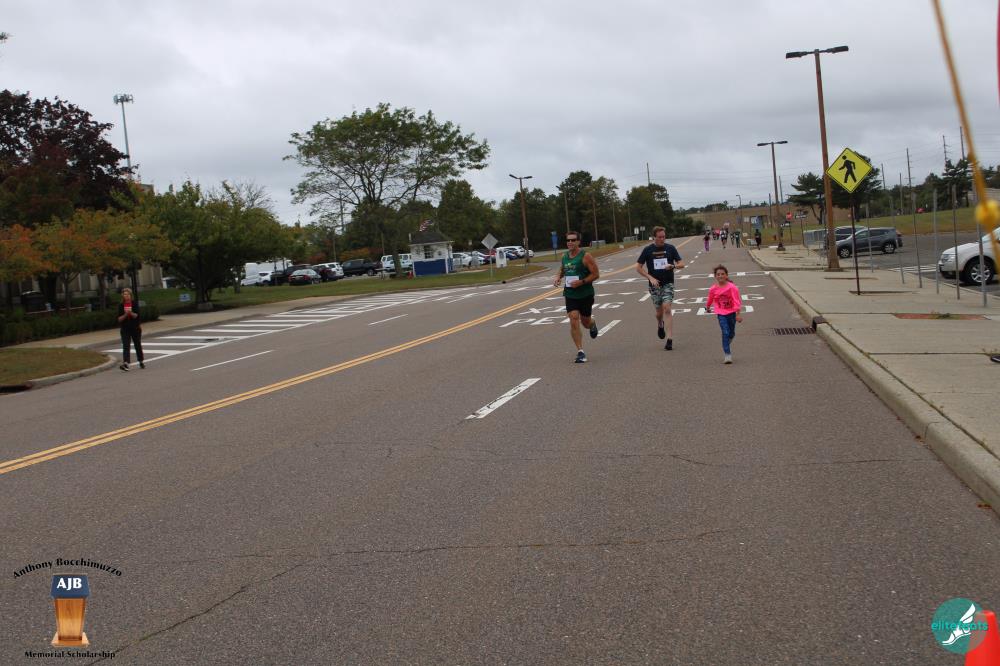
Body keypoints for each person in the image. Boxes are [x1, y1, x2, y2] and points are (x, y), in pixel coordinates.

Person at [553, 231, 600, 363]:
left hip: (585, 294)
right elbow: (563, 269)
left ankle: (592, 323)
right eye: (568, 240)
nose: (570, 242)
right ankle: (580, 351)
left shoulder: (586, 256)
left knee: (585, 322)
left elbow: (596, 274)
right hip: (570, 294)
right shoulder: (565, 256)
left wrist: (581, 282)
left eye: (573, 240)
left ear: (578, 242)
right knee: (573, 318)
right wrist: (558, 277)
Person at [635, 226, 685, 350]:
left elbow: (681, 264)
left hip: (668, 283)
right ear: (654, 237)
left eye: (664, 237)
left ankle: (669, 339)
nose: (662, 239)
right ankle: (660, 323)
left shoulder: (670, 248)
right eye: (660, 237)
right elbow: (638, 267)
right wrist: (650, 277)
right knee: (659, 312)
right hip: (654, 286)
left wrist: (673, 266)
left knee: (667, 308)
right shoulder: (648, 250)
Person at [705, 265, 743, 364]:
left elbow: (737, 301)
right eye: (718, 274)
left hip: (731, 313)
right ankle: (727, 355)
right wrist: (707, 307)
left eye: (722, 274)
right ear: (715, 276)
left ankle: (728, 339)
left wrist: (738, 314)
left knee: (731, 333)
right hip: (721, 313)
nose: (720, 276)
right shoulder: (713, 289)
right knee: (725, 332)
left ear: (726, 275)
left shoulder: (732, 287)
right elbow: (710, 299)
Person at [117, 287, 145, 371]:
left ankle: (140, 360)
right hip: (125, 328)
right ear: (122, 295)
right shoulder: (121, 305)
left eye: (128, 294)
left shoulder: (134, 304)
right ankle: (126, 363)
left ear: (130, 295)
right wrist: (125, 314)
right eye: (124, 294)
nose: (126, 296)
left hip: (135, 327)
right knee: (126, 345)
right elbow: (119, 319)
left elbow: (137, 315)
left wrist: (130, 313)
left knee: (137, 344)